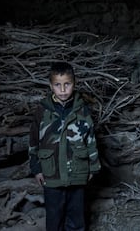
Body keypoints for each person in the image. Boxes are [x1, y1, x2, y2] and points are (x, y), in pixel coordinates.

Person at [29, 61, 101, 231]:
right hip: (51, 174)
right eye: (57, 85)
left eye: (67, 84)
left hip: (77, 172)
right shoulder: (42, 111)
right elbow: (33, 141)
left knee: (76, 218)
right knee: (54, 219)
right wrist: (36, 168)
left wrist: (93, 167)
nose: (62, 90)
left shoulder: (82, 110)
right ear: (50, 86)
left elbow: (91, 139)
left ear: (74, 84)